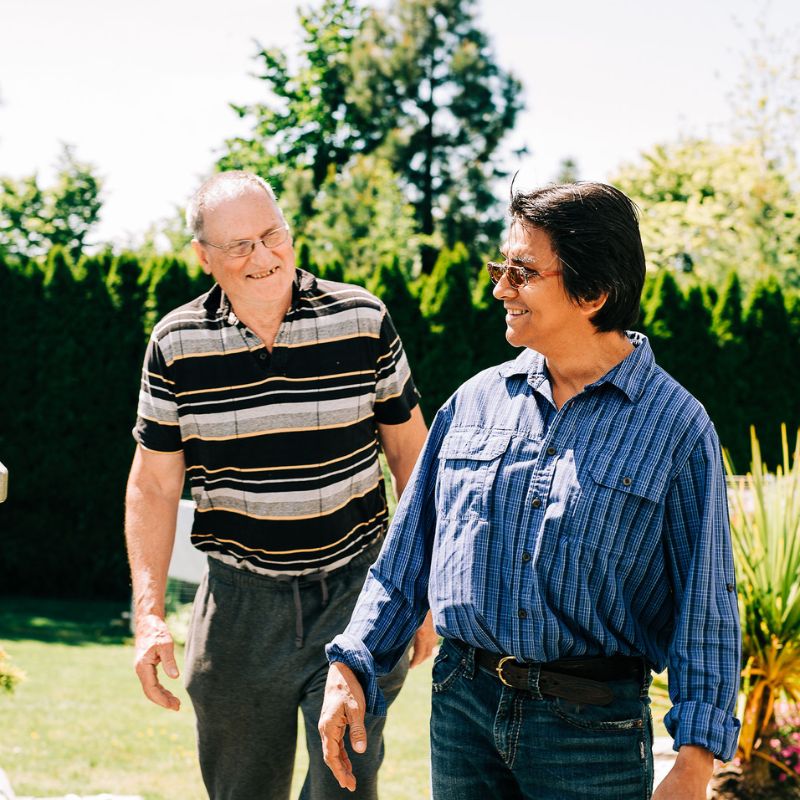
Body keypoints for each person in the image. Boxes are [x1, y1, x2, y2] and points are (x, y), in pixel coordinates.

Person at [319, 182, 741, 800]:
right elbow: (407, 557)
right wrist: (350, 664)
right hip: (461, 709)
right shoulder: (474, 402)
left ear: (593, 293)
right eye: (502, 268)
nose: (499, 289)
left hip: (591, 731)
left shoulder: (677, 428)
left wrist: (696, 758)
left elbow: (706, 602)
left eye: (522, 272)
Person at [124, 170, 435, 800]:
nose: (263, 257)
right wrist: (149, 615)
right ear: (204, 258)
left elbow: (412, 456)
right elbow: (154, 486)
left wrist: (421, 586)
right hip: (239, 607)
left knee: (344, 788)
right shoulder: (176, 343)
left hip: (356, 597)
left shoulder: (361, 318)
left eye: (272, 235)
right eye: (238, 246)